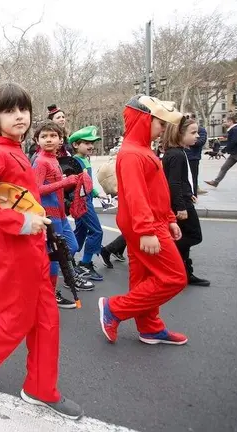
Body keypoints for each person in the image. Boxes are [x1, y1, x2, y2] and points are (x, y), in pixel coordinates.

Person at [0, 83, 82, 420]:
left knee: (45, 318)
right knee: (19, 316)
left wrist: (35, 223)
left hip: (30, 245)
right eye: (10, 111)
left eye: (23, 109)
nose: (19, 116)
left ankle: (41, 388)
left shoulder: (10, 148)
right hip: (14, 247)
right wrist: (23, 222)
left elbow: (13, 194)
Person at [99, 95, 188, 346]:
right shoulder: (132, 153)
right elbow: (136, 196)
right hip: (145, 226)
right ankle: (114, 309)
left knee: (144, 279)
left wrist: (169, 218)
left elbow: (155, 191)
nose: (162, 129)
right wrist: (148, 229)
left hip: (147, 224)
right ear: (144, 120)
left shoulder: (139, 150)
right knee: (174, 278)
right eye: (159, 124)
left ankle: (150, 328)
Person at [32, 121, 86, 309]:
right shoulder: (40, 161)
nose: (49, 139)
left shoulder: (53, 159)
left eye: (53, 136)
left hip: (60, 216)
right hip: (49, 216)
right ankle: (50, 293)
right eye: (44, 136)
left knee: (71, 247)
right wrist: (64, 183)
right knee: (56, 257)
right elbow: (36, 190)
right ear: (37, 140)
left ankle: (42, 284)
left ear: (61, 140)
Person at [161, 117, 210, 287]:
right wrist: (181, 205)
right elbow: (173, 182)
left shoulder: (177, 152)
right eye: (193, 132)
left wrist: (190, 193)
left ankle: (184, 273)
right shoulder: (176, 155)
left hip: (183, 199)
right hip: (180, 204)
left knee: (184, 237)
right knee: (194, 236)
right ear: (179, 134)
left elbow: (181, 180)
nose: (197, 136)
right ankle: (167, 259)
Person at [68, 126, 105, 281]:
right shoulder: (75, 161)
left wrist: (97, 193)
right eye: (86, 143)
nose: (91, 146)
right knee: (96, 231)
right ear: (76, 145)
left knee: (81, 232)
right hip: (81, 201)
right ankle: (85, 263)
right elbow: (75, 184)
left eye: (92, 143)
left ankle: (67, 261)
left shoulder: (85, 159)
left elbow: (87, 183)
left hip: (86, 199)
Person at [204, 114, 237, 188]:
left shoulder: (236, 129)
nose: (223, 123)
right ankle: (215, 182)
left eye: (224, 122)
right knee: (224, 167)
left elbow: (233, 142)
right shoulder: (233, 130)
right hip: (234, 153)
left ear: (230, 121)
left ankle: (215, 182)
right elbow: (231, 142)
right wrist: (224, 150)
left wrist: (223, 151)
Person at [182, 113, 207, 196]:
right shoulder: (182, 129)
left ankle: (194, 195)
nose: (187, 119)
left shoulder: (201, 130)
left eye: (188, 117)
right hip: (182, 155)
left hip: (193, 157)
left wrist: (187, 141)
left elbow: (201, 142)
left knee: (193, 178)